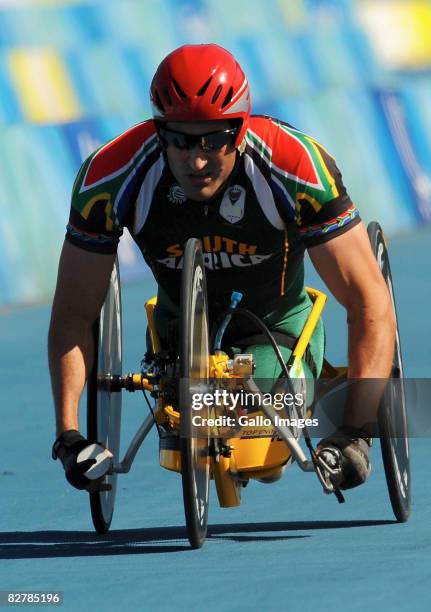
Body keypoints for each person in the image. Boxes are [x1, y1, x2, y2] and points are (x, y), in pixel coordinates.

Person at [48, 43, 395, 492]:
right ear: (158, 132)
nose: (196, 161)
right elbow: (73, 315)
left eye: (212, 141)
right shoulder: (108, 178)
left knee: (263, 458)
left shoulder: (295, 166)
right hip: (179, 333)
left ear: (240, 130)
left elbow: (368, 297)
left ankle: (328, 394)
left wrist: (356, 433)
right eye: (179, 140)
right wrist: (69, 436)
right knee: (202, 418)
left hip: (275, 327)